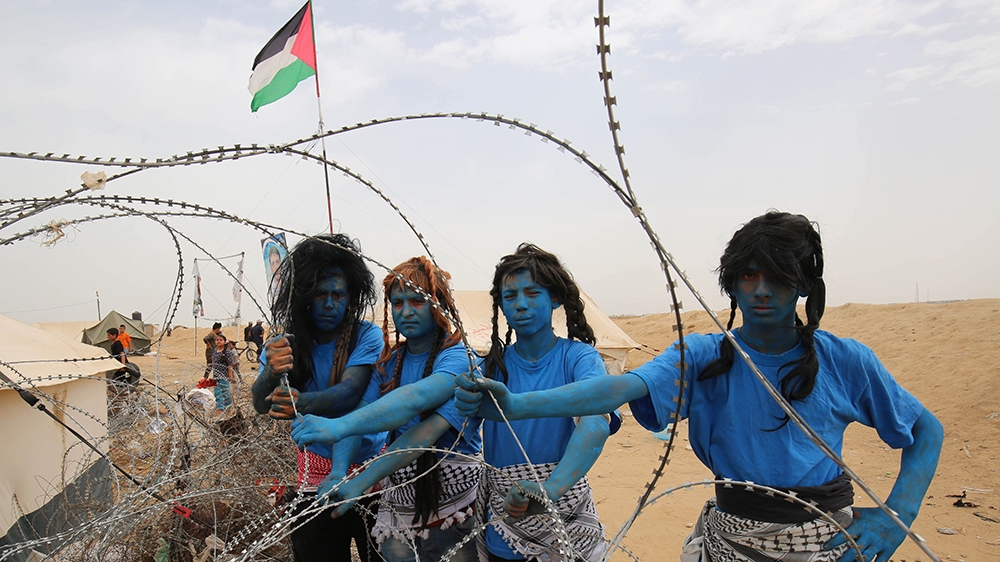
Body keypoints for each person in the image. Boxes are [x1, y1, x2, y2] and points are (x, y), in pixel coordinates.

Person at [456, 212, 944, 562]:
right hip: (729, 538)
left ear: (803, 286)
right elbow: (616, 390)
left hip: (821, 541)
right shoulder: (705, 357)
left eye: (779, 276)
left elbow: (926, 430)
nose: (761, 290)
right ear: (730, 284)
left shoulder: (844, 359)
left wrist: (896, 513)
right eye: (748, 276)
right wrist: (517, 405)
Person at [290, 257, 483, 562]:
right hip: (400, 512)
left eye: (417, 301)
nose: (405, 311)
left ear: (439, 305)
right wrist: (341, 471)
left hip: (454, 514)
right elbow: (363, 412)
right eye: (397, 302)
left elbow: (416, 406)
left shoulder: (460, 359)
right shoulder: (389, 363)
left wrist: (338, 428)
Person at [472, 244, 617, 562]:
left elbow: (595, 421)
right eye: (510, 297)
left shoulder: (578, 358)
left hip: (566, 517)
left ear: (554, 298)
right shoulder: (492, 368)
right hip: (506, 520)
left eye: (532, 293)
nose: (520, 305)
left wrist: (550, 490)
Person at [251, 233, 384, 562]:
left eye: (337, 295)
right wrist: (270, 371)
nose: (329, 304)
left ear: (350, 297)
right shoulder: (289, 342)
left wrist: (301, 402)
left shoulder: (364, 335)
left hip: (371, 468)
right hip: (316, 470)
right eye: (320, 294)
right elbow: (260, 404)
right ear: (305, 296)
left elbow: (349, 393)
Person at [209, 334, 235, 412]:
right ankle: (220, 409)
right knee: (217, 393)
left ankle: (228, 408)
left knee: (225, 392)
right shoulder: (215, 350)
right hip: (216, 375)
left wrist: (230, 376)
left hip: (224, 375)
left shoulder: (227, 352)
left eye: (221, 340)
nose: (219, 341)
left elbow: (230, 365)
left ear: (224, 342)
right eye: (217, 340)